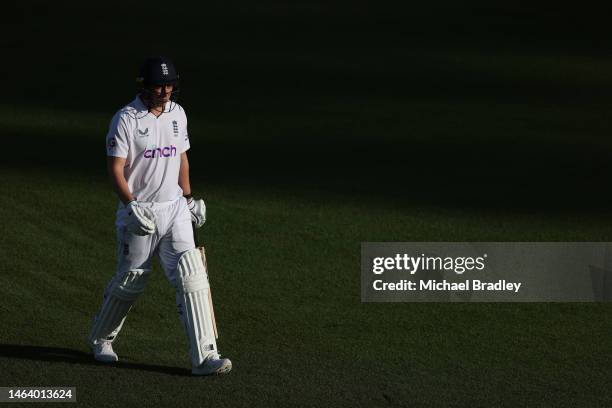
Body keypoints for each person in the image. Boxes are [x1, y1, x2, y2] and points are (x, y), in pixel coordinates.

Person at [88, 56, 232, 376]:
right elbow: (115, 168)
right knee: (131, 280)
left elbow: (181, 157)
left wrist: (189, 198)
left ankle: (205, 357)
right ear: (144, 86)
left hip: (175, 209)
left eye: (169, 85)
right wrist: (129, 204)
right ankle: (102, 339)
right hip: (141, 212)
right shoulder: (125, 119)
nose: (165, 91)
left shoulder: (178, 114)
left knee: (192, 276)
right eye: (158, 86)